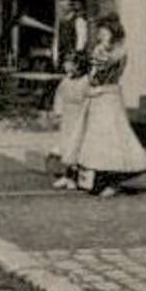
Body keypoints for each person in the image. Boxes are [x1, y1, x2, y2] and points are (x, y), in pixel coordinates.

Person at [59, 13, 146, 197]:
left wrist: (101, 54)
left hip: (109, 96)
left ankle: (112, 181)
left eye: (104, 31)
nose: (101, 34)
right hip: (96, 95)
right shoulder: (100, 49)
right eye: (100, 31)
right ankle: (83, 176)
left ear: (113, 32)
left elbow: (104, 68)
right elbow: (93, 75)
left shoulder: (119, 51)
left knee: (110, 139)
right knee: (89, 138)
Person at [47, 51, 92, 189]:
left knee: (77, 146)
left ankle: (76, 177)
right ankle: (66, 175)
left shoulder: (86, 81)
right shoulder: (66, 81)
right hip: (68, 116)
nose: (65, 65)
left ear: (77, 65)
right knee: (65, 146)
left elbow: (89, 100)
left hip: (80, 117)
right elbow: (59, 96)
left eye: (68, 62)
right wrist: (58, 113)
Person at [51, 0, 89, 70]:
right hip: (63, 58)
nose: (61, 9)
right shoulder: (60, 23)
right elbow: (57, 40)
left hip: (74, 58)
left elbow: (81, 41)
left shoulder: (79, 20)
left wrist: (75, 56)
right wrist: (56, 57)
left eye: (64, 6)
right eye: (60, 6)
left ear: (70, 7)